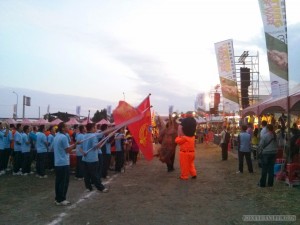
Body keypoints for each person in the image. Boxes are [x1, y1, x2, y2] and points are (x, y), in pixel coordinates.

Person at [53, 122, 77, 206]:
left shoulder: (57, 136)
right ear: (63, 128)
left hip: (58, 162)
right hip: (63, 163)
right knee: (64, 182)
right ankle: (62, 199)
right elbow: (68, 150)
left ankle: (57, 198)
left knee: (58, 181)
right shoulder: (63, 137)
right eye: (66, 126)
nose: (68, 128)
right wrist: (75, 145)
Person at [82, 123, 108, 193]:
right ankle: (100, 187)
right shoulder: (93, 136)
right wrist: (100, 143)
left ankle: (88, 187)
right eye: (95, 127)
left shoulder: (84, 136)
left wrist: (83, 153)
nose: (96, 129)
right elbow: (95, 146)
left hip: (85, 159)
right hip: (92, 159)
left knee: (86, 174)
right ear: (92, 128)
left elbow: (80, 147)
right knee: (95, 174)